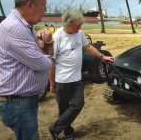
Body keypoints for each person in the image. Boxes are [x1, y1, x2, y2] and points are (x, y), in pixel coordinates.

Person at [0, 0, 53, 140]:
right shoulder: (15, 28)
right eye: (43, 4)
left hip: (20, 101)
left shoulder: (25, 27)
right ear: (30, 5)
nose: (45, 9)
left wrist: (43, 45)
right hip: (17, 103)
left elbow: (39, 57)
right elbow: (44, 64)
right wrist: (45, 52)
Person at [48, 9, 114, 140]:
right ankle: (68, 133)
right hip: (62, 80)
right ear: (69, 24)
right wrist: (52, 83)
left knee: (78, 104)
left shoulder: (79, 33)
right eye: (78, 25)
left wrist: (102, 56)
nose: (80, 27)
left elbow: (88, 47)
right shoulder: (57, 38)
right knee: (64, 108)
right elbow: (51, 63)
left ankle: (54, 128)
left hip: (77, 78)